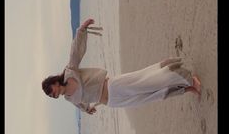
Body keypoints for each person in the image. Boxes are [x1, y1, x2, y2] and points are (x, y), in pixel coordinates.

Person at [42, 18, 201, 115]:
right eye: (51, 95)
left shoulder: (70, 72)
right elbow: (80, 104)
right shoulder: (69, 99)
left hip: (113, 86)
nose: (53, 94)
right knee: (149, 96)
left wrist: (82, 30)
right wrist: (87, 109)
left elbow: (75, 52)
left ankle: (187, 78)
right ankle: (185, 89)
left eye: (51, 91)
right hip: (113, 102)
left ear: (55, 82)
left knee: (148, 82)